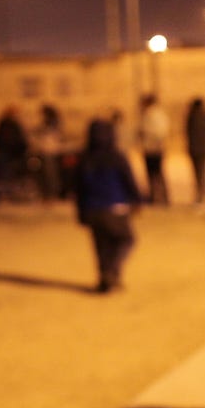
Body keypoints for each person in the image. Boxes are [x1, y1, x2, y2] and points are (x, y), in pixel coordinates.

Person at [76, 118, 140, 293]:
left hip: (92, 209)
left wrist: (81, 212)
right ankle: (111, 273)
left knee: (102, 246)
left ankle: (105, 281)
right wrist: (136, 200)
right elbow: (129, 180)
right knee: (126, 240)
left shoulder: (85, 159)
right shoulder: (116, 156)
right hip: (114, 207)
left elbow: (78, 189)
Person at [138, 94, 170, 204]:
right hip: (152, 148)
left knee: (156, 174)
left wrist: (145, 133)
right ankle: (158, 198)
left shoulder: (153, 115)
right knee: (155, 175)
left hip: (154, 149)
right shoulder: (154, 114)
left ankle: (160, 198)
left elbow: (159, 132)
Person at [0, 105, 30, 201]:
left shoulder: (8, 124)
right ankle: (5, 194)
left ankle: (7, 194)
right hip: (8, 153)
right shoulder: (8, 124)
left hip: (10, 153)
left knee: (8, 174)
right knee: (6, 174)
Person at [185, 97, 205, 203]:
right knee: (203, 171)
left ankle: (201, 194)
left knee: (198, 172)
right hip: (204, 148)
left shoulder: (191, 117)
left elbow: (187, 132)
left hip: (194, 148)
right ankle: (203, 193)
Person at [33, 103, 66, 201]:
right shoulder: (54, 122)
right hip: (51, 150)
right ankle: (52, 193)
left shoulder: (51, 123)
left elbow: (48, 136)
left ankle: (52, 193)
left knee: (50, 174)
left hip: (49, 150)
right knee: (50, 173)